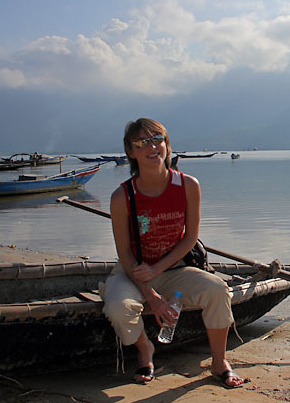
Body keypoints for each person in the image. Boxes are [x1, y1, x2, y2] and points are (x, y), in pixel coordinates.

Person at [100, 118, 244, 388]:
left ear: (167, 145)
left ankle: (218, 361)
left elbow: (189, 238)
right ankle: (145, 349)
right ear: (131, 152)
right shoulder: (122, 197)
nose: (152, 147)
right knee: (119, 308)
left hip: (174, 268)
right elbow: (125, 255)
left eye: (158, 140)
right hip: (133, 273)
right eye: (142, 143)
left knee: (217, 289)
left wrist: (159, 269)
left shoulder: (188, 185)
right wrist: (152, 297)